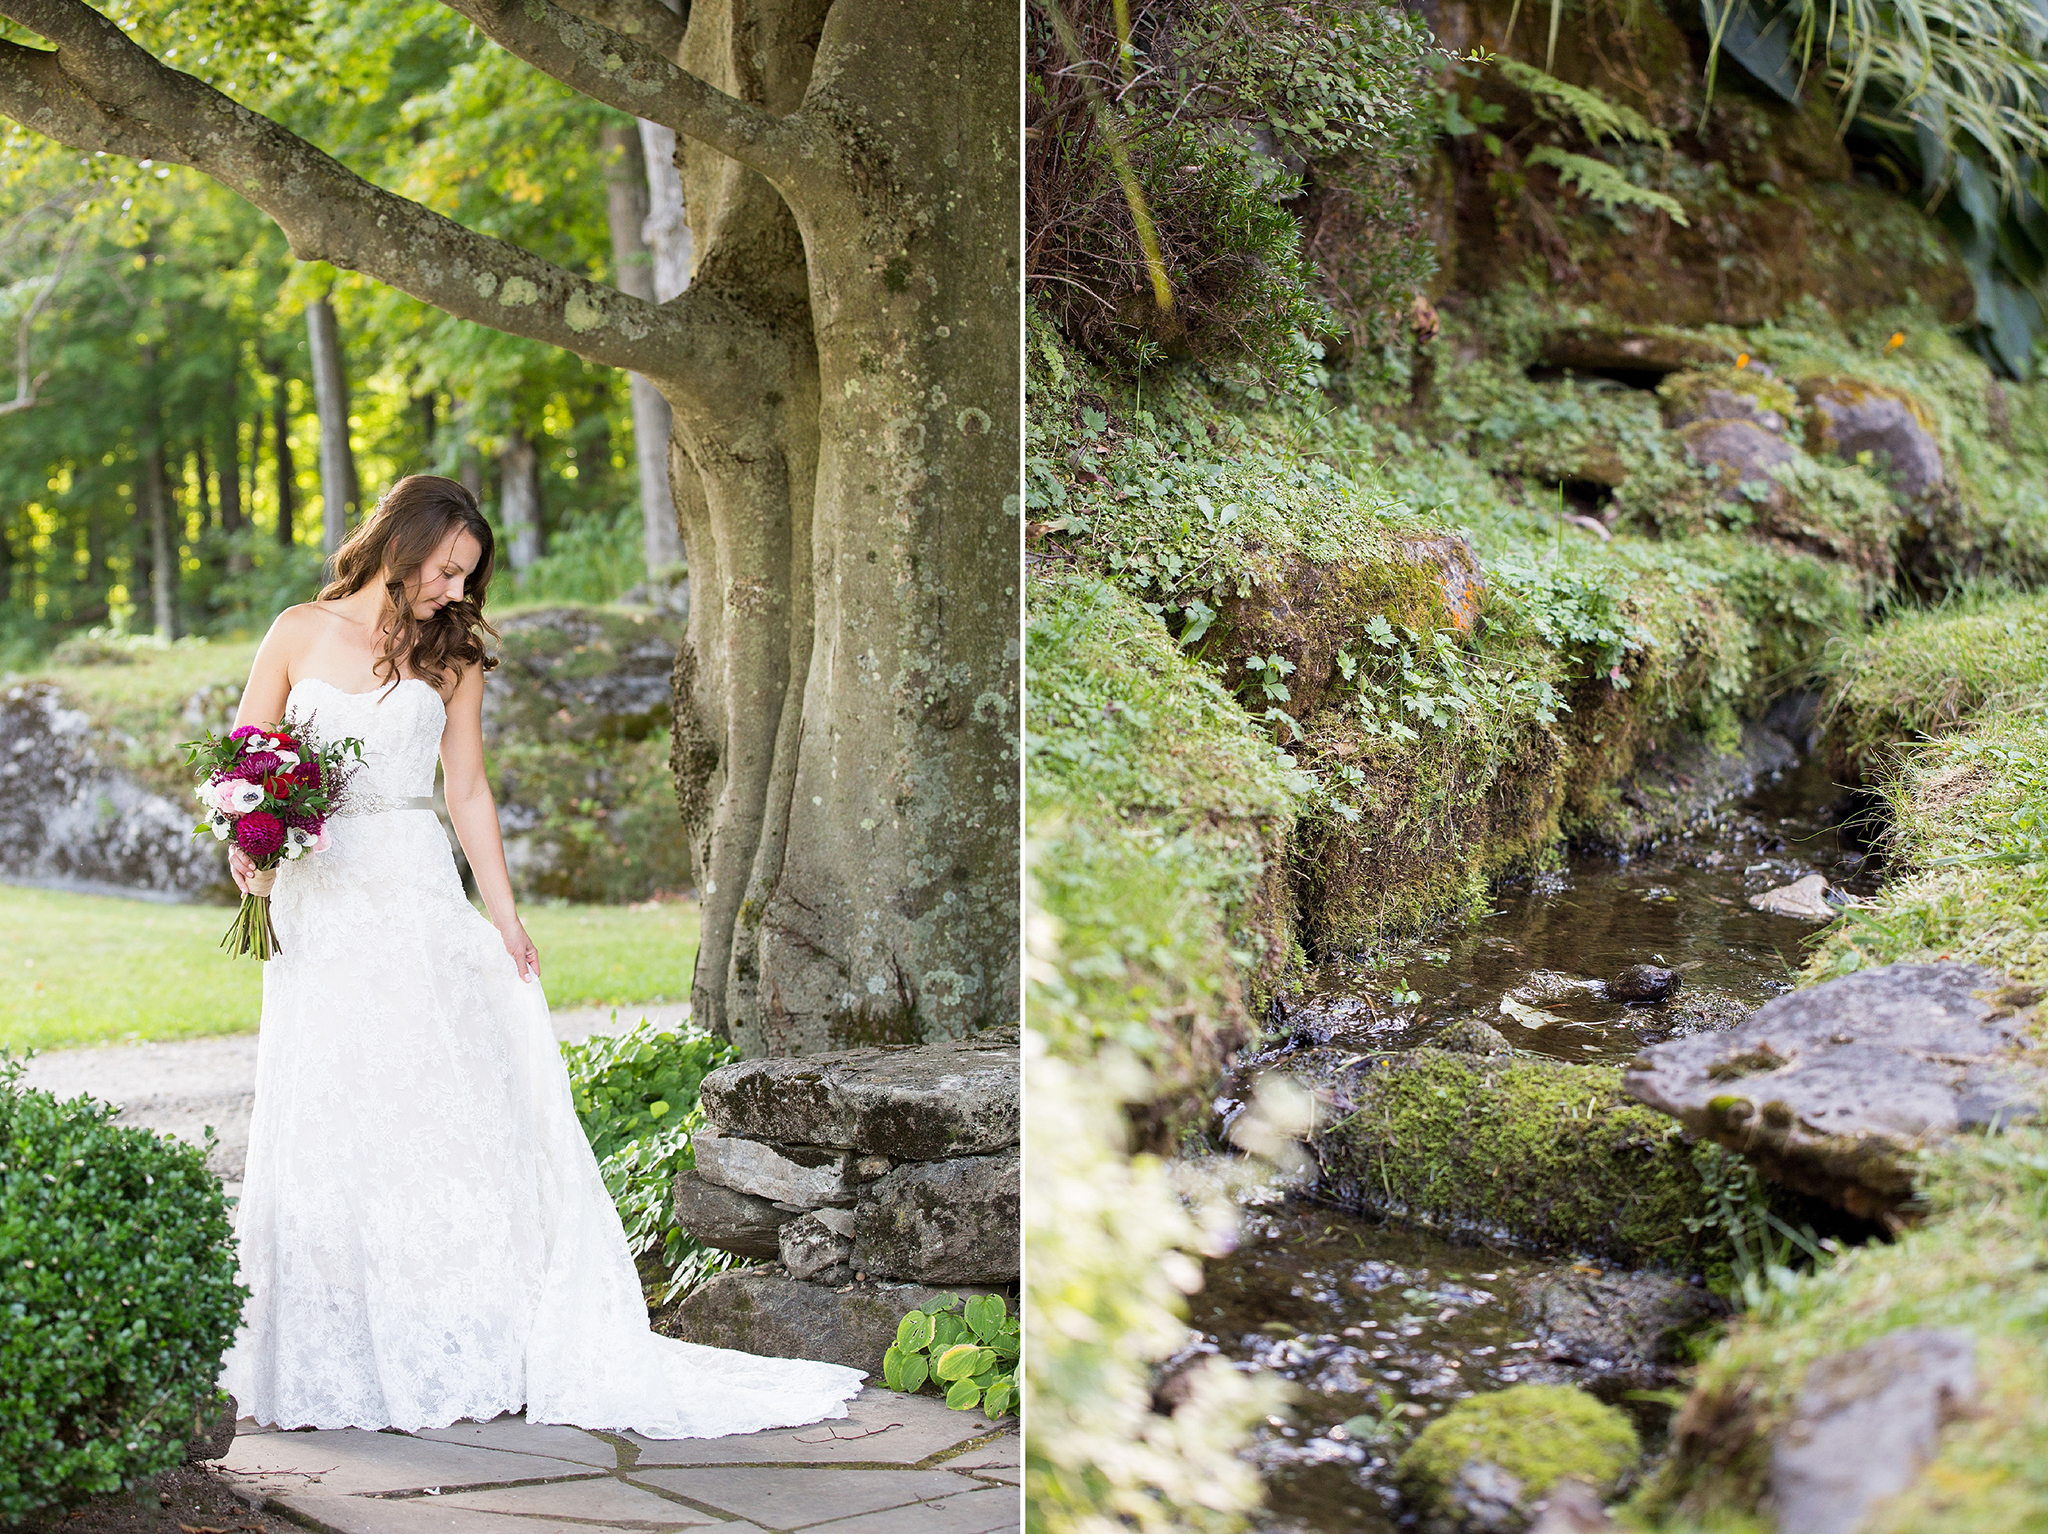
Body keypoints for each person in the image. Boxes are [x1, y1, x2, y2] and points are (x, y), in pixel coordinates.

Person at [218, 474, 864, 1436]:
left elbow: (468, 791)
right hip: (317, 898)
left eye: (466, 577)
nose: (452, 591)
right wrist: (251, 841)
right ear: (403, 541)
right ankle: (333, 1338)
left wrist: (506, 914)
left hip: (409, 879)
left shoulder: (452, 657)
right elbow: (243, 757)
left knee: (431, 1097)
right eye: (444, 569)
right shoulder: (295, 632)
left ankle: (456, 1327)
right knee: (329, 1096)